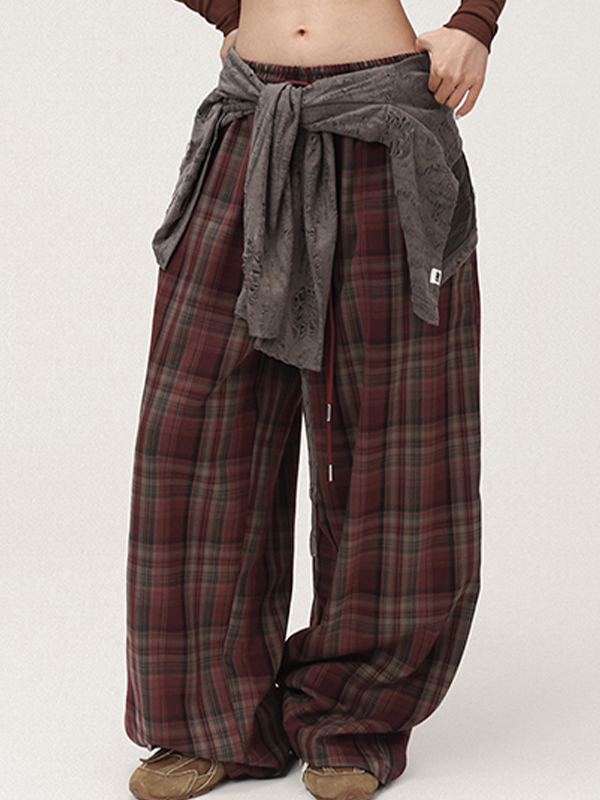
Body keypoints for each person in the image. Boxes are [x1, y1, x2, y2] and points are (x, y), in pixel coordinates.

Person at [125, 2, 506, 799]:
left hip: (383, 122)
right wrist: (227, 14)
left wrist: (475, 22)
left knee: (396, 437)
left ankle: (353, 718)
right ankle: (209, 723)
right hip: (251, 119)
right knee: (193, 435)